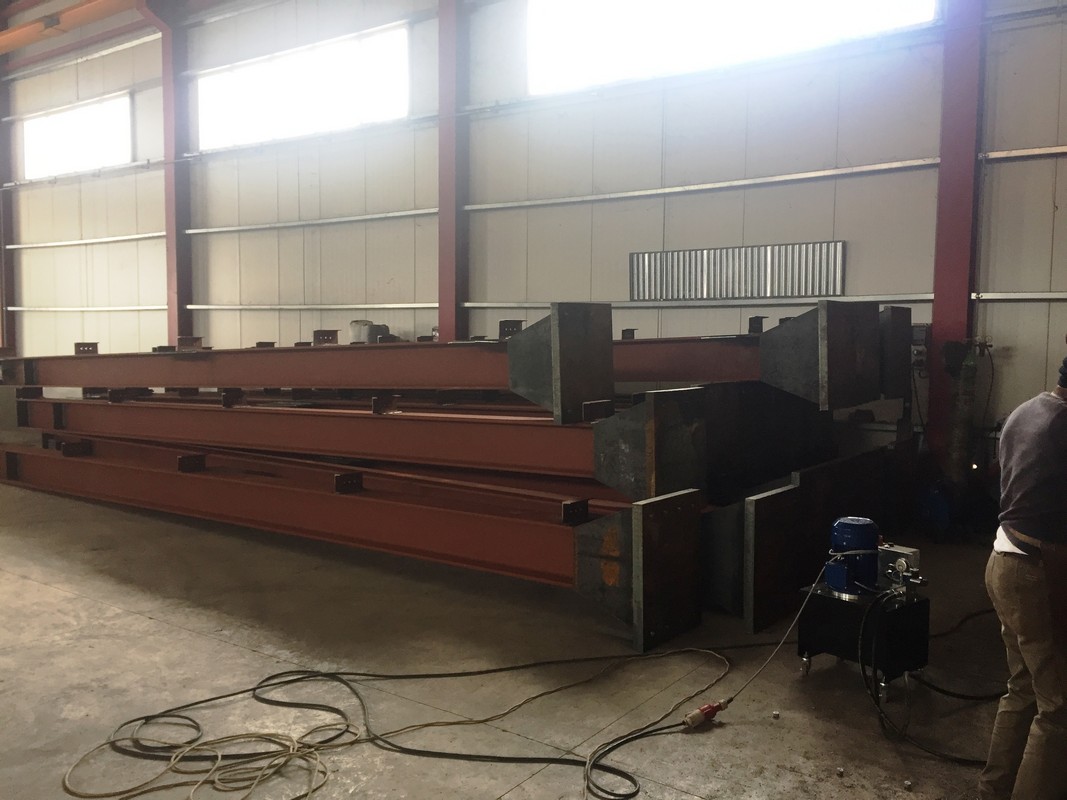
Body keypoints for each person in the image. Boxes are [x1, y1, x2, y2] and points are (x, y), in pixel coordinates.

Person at [978, 362, 1067, 800]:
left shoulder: (1025, 410)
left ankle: (992, 790)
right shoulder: (1063, 426)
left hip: (1003, 560)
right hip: (1035, 572)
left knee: (1022, 689)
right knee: (1058, 707)